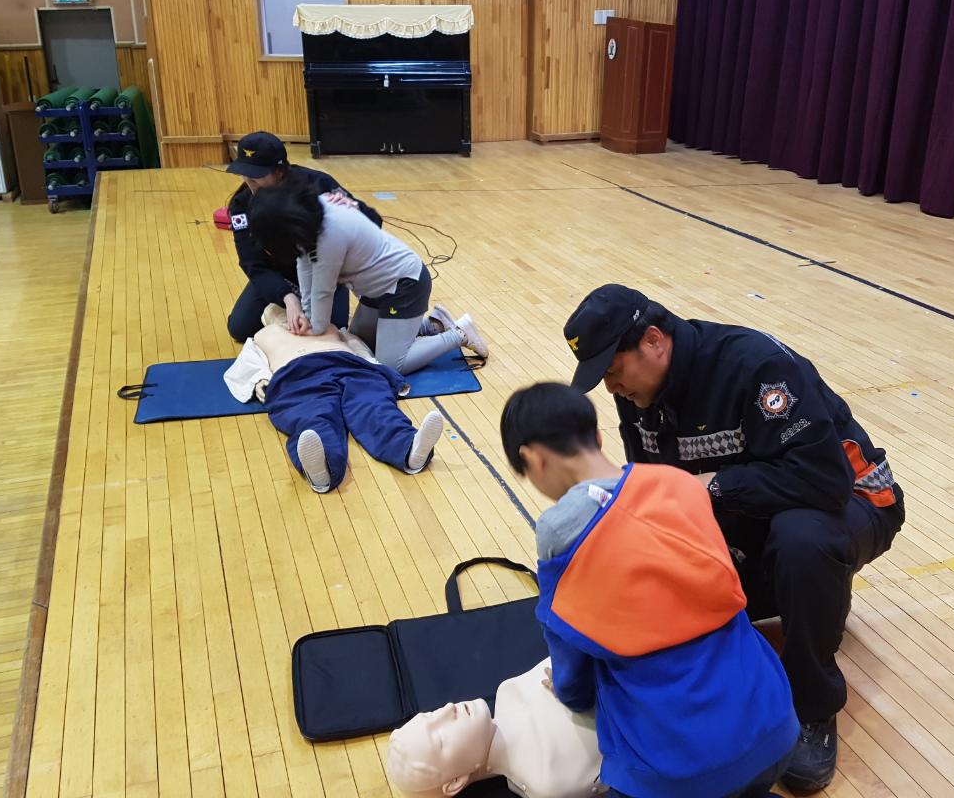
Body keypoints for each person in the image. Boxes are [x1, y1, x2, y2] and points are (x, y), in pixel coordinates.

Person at [562, 285, 906, 794]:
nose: (611, 388)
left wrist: (715, 486)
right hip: (759, 511)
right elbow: (659, 494)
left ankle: (812, 705)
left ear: (654, 340)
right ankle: (812, 600)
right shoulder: (637, 395)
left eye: (613, 371)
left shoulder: (757, 367)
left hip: (853, 500)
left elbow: (823, 481)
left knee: (802, 543)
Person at [499, 383, 796, 798]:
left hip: (676, 774)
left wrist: (570, 694)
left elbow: (567, 643)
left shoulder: (559, 530)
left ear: (533, 458)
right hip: (775, 728)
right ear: (597, 436)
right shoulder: (680, 484)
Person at [247, 175, 488, 375]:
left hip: (404, 286)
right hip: (377, 291)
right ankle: (435, 324)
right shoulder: (306, 216)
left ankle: (459, 333)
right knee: (361, 341)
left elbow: (323, 290)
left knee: (391, 364)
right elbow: (304, 263)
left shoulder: (329, 236)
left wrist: (314, 326)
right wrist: (307, 315)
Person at [223, 303, 445, 492]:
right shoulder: (262, 336)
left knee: (374, 406)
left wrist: (373, 365)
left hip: (349, 366)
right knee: (313, 417)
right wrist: (260, 380)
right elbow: (248, 364)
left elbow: (356, 344)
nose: (283, 313)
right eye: (276, 312)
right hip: (298, 376)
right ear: (267, 320)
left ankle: (409, 448)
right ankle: (322, 469)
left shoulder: (326, 325)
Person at [224, 130, 382, 341]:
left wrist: (337, 270)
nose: (249, 184)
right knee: (240, 328)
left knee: (333, 331)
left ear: (279, 171)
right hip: (280, 275)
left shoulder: (319, 185)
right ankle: (284, 305)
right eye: (245, 175)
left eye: (256, 177)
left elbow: (371, 222)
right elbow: (251, 261)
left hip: (324, 273)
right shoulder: (241, 205)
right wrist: (287, 298)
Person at [386, 658, 605, 798]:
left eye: (431, 715)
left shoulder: (508, 692)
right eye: (440, 739)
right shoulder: (548, 780)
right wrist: (591, 696)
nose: (448, 709)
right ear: (455, 782)